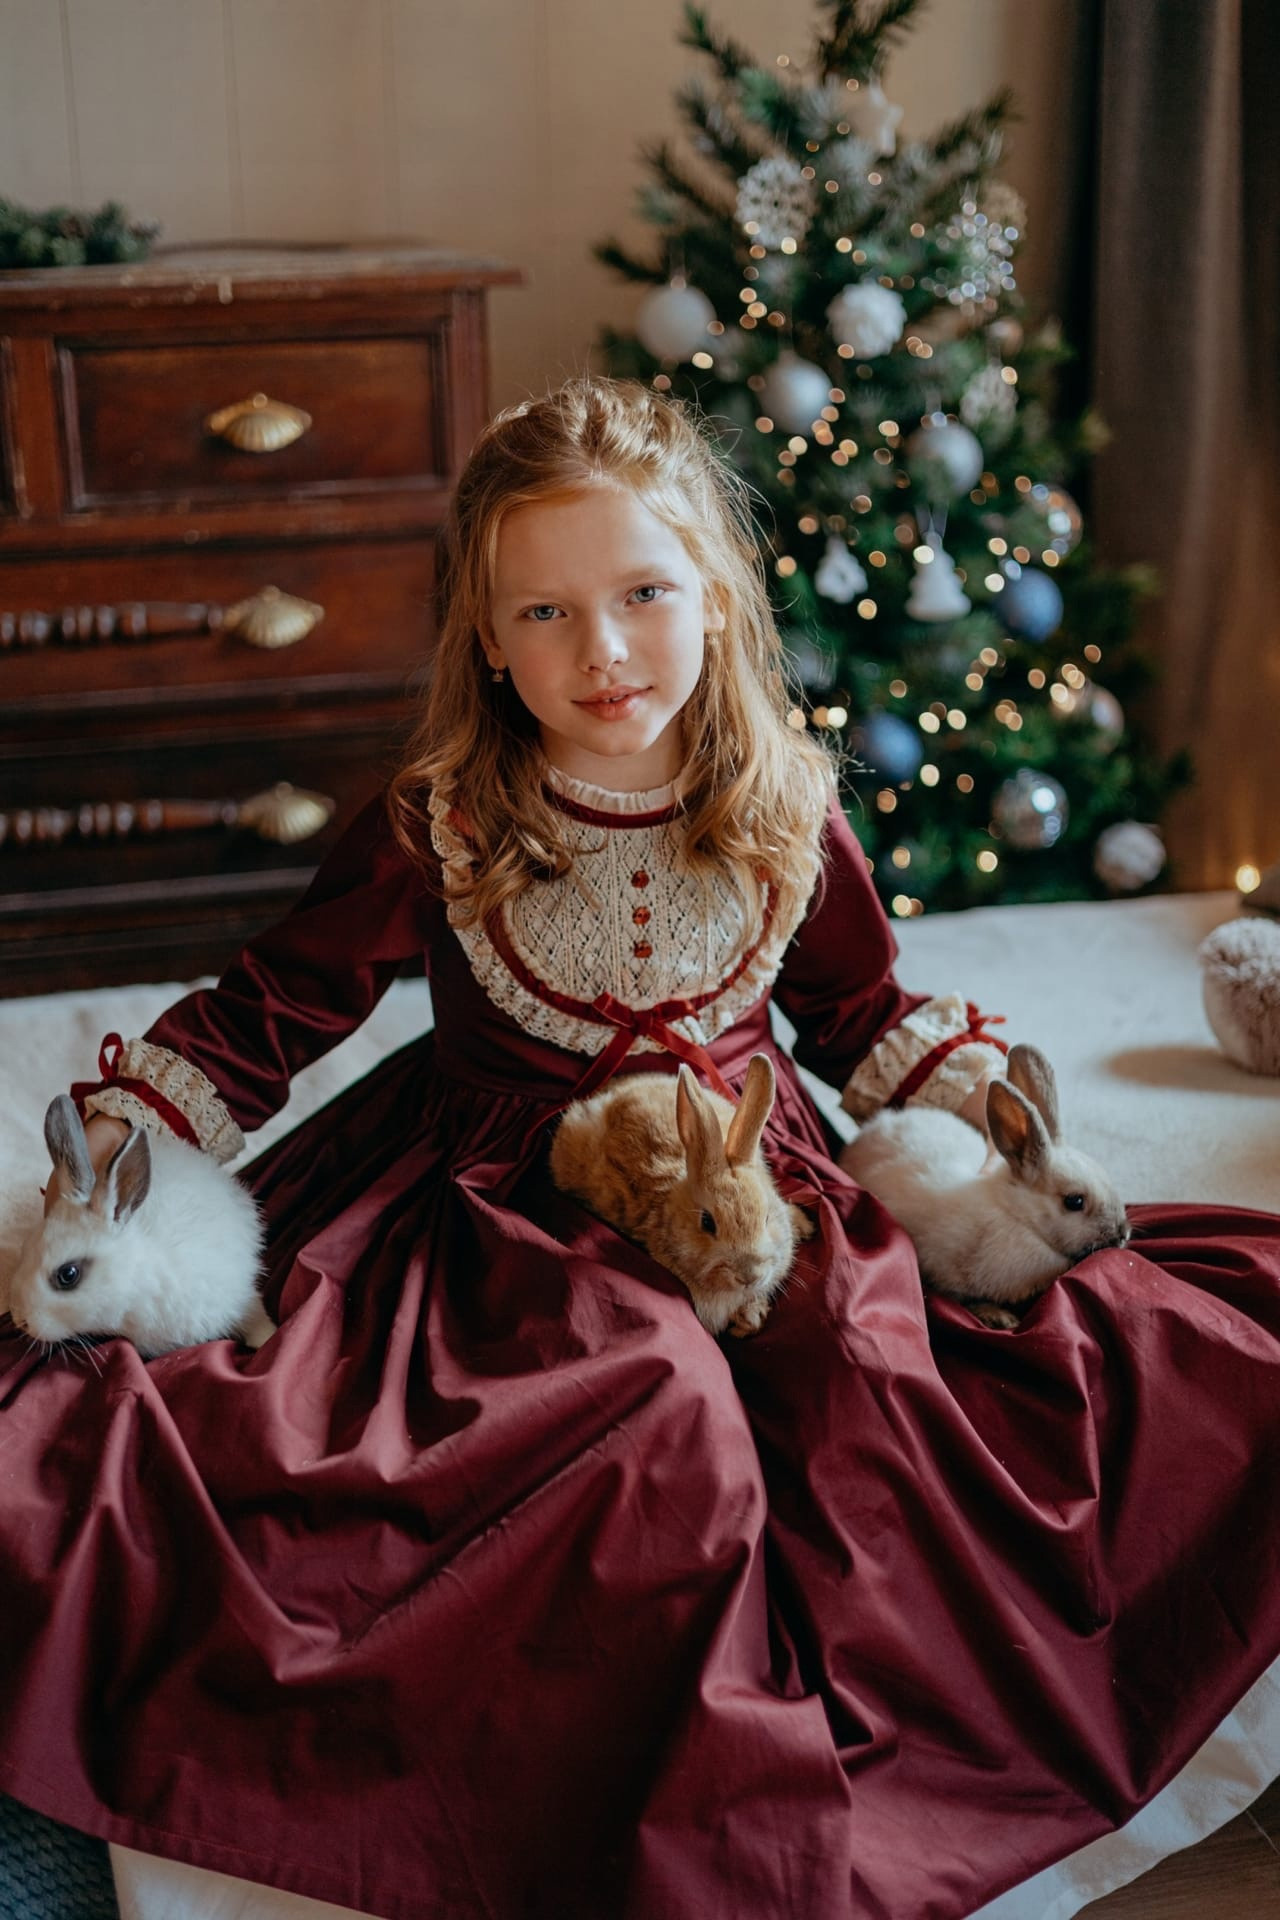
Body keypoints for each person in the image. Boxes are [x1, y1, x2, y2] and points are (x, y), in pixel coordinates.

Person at [2, 376, 1278, 1920]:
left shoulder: (786, 805)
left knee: (926, 1390)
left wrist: (992, 1130)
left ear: (717, 596)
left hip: (752, 1184)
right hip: (494, 1206)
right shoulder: (447, 815)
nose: (601, 651)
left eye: (643, 594)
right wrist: (118, 1152)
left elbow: (860, 1010)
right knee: (626, 1420)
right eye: (542, 613)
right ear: (483, 634)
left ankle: (835, 1793)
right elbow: (275, 1008)